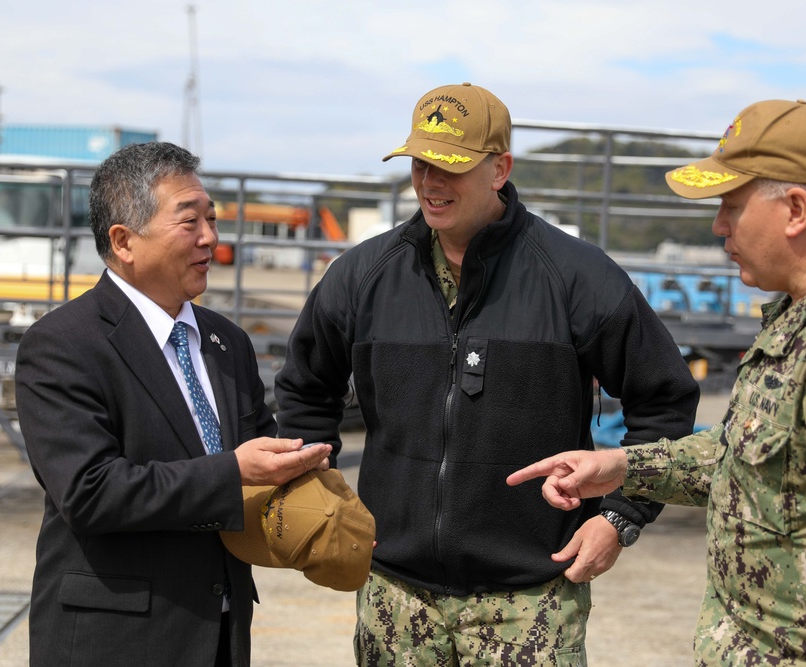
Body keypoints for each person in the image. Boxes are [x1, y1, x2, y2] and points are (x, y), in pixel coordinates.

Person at [508, 99, 806, 665]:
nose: (719, 225)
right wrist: (625, 468)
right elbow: (751, 460)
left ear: (796, 209)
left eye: (732, 204)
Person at [275, 82, 700, 664]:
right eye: (421, 163)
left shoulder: (577, 278)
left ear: (500, 169)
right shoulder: (361, 276)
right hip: (395, 600)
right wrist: (318, 501)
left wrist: (620, 517)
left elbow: (665, 403)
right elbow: (304, 390)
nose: (429, 183)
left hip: (530, 605)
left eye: (450, 166)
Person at [14, 141, 332, 667]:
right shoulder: (63, 344)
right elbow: (90, 493)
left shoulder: (226, 340)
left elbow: (260, 454)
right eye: (190, 222)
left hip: (220, 634)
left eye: (212, 218)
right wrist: (232, 473)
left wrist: (306, 482)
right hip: (114, 639)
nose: (211, 237)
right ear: (124, 242)